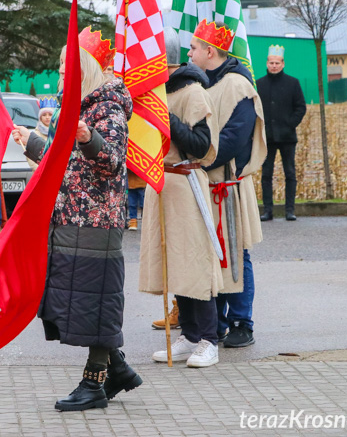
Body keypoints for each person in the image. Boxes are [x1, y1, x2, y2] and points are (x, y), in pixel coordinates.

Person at [13, 30, 141, 412]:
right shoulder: (81, 106)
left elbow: (112, 160)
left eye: (67, 69)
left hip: (96, 224)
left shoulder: (107, 108)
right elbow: (64, 165)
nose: (61, 76)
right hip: (71, 219)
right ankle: (116, 368)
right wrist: (32, 142)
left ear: (83, 68)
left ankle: (94, 383)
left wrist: (89, 138)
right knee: (74, 304)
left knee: (95, 305)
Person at [139, 27, 223, 368]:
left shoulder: (192, 92)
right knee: (173, 263)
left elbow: (202, 147)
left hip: (186, 185)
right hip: (162, 185)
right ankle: (189, 335)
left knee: (193, 262)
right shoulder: (154, 92)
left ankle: (209, 339)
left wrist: (169, 120)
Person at [188, 20, 266, 349]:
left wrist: (200, 160)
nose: (189, 53)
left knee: (236, 253)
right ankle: (216, 322)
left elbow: (235, 138)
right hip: (204, 182)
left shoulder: (237, 85)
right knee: (211, 254)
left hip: (228, 184)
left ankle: (241, 321)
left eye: (193, 48)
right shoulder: (200, 84)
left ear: (210, 51)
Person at [256, 46, 306, 221]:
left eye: (277, 63)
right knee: (266, 174)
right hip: (267, 137)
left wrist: (290, 124)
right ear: (267, 64)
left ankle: (289, 210)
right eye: (271, 63)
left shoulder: (293, 83)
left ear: (283, 64)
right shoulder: (259, 84)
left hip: (287, 137)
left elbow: (301, 107)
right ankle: (267, 210)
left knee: (290, 173)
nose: (274, 66)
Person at [27, 97, 57, 171]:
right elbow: (30, 157)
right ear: (40, 117)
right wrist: (42, 170)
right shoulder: (35, 134)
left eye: (50, 115)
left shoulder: (59, 132)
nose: (47, 117)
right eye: (44, 115)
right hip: (41, 173)